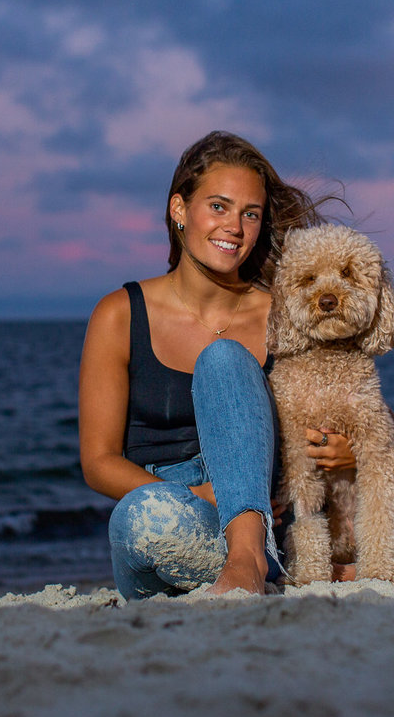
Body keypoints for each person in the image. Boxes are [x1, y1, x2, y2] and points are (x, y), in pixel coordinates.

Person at [77, 131, 350, 599]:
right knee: (139, 516)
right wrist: (200, 497)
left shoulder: (284, 313)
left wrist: (345, 450)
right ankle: (264, 570)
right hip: (172, 513)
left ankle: (248, 558)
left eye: (251, 214)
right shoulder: (119, 314)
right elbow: (99, 462)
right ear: (180, 210)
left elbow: (382, 423)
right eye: (218, 207)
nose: (235, 227)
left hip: (264, 513)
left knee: (224, 358)